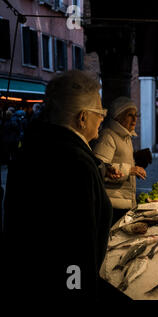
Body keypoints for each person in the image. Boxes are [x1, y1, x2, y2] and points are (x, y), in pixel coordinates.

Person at [3, 70, 127, 300]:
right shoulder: (75, 163)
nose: (102, 118)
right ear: (82, 118)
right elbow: (75, 248)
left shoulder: (33, 147)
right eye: (100, 113)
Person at [93, 96, 146, 225]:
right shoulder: (108, 136)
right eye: (130, 115)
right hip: (113, 204)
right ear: (118, 116)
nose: (135, 119)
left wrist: (136, 161)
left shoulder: (125, 136)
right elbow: (99, 167)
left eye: (136, 115)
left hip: (124, 200)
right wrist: (129, 170)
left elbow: (119, 158)